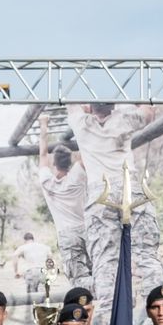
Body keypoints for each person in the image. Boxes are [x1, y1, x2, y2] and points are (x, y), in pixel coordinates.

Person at [67, 102, 163, 325]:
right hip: (129, 187)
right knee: (146, 257)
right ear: (113, 105)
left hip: (100, 194)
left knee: (105, 262)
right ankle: (162, 316)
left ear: (90, 107)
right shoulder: (124, 119)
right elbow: (149, 110)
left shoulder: (81, 123)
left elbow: (72, 105)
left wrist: (85, 107)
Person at [37, 112, 91, 282]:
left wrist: (43, 125)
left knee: (77, 277)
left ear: (54, 164)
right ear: (71, 162)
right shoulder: (77, 176)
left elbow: (43, 154)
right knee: (100, 272)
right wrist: (82, 119)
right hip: (87, 229)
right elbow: (86, 150)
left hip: (67, 233)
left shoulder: (47, 182)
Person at [10, 233, 54, 300]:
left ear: (24, 240)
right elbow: (50, 258)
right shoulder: (45, 247)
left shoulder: (23, 247)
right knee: (44, 296)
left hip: (31, 271)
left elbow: (15, 255)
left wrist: (16, 271)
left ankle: (34, 309)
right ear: (33, 239)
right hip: (43, 271)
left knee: (32, 298)